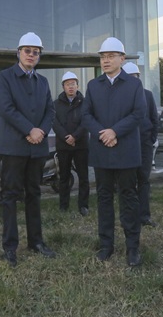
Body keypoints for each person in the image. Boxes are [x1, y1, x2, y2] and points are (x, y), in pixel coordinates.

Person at [81, 37, 146, 267]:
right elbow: (86, 115)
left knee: (129, 198)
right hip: (102, 151)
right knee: (104, 198)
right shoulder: (93, 85)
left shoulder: (133, 85)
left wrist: (115, 132)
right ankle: (106, 245)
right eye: (102, 57)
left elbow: (138, 113)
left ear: (122, 58)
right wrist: (103, 134)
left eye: (110, 56)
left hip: (126, 150)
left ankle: (132, 247)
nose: (105, 60)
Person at [0, 32, 56, 267]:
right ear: (18, 53)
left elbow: (50, 110)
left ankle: (36, 242)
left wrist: (41, 131)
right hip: (14, 147)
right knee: (10, 196)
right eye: (27, 51)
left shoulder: (42, 81)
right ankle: (10, 247)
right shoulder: (5, 77)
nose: (31, 55)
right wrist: (30, 130)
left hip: (36, 148)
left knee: (34, 193)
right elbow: (7, 108)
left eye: (36, 52)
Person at [122, 62, 159, 227]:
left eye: (136, 77)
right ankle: (129, 216)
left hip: (144, 145)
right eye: (130, 77)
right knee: (127, 182)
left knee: (143, 180)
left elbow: (154, 119)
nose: (134, 80)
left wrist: (151, 139)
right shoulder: (120, 97)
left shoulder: (147, 95)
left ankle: (144, 216)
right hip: (127, 145)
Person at [53, 71, 90, 216]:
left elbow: (87, 121)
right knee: (64, 177)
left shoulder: (85, 103)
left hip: (81, 145)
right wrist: (66, 137)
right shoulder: (55, 104)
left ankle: (83, 205)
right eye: (68, 84)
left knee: (83, 176)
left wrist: (75, 136)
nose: (71, 87)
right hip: (63, 146)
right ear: (63, 87)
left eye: (73, 84)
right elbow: (54, 122)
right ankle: (64, 206)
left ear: (77, 86)